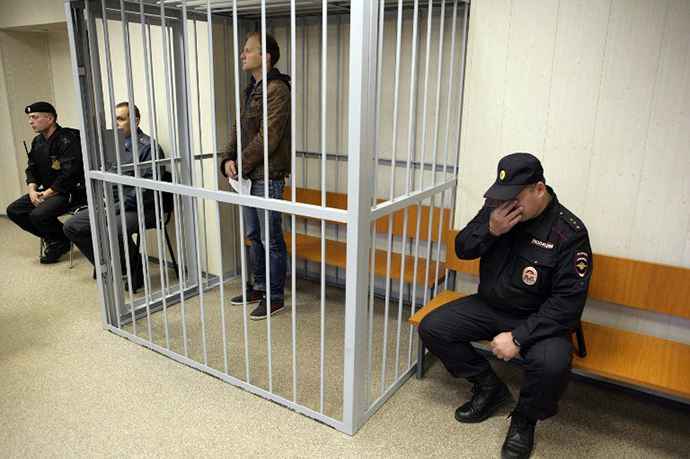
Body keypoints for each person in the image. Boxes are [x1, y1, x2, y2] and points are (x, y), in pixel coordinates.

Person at [418, 153, 592, 459]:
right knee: (433, 328)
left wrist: (518, 338)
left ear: (539, 189)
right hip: (491, 305)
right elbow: (462, 247)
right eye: (502, 196)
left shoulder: (569, 233)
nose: (507, 204)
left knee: (551, 366)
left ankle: (526, 418)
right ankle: (489, 389)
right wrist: (492, 230)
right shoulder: (495, 211)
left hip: (540, 319)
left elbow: (567, 304)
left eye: (516, 197)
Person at [220, 32, 291, 321]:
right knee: (254, 235)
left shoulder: (277, 90)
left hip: (267, 175)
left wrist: (242, 165)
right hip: (249, 176)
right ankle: (258, 287)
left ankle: (274, 297)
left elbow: (269, 138)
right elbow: (238, 128)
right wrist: (228, 158)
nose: (242, 55)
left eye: (248, 50)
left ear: (266, 57)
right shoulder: (252, 88)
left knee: (271, 238)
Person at [64, 102, 165, 292]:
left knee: (114, 226)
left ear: (135, 121)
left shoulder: (148, 148)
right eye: (115, 119)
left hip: (143, 206)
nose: (116, 124)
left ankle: (137, 270)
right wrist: (103, 198)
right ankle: (115, 265)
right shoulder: (112, 143)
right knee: (73, 226)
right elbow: (105, 177)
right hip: (114, 204)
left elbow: (146, 190)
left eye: (121, 119)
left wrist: (114, 208)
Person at [6, 102, 86, 263]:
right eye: (29, 118)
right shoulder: (37, 141)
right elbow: (32, 169)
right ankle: (60, 239)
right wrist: (32, 191)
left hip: (70, 192)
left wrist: (46, 194)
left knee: (38, 215)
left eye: (34, 117)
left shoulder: (67, 140)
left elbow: (69, 174)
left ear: (50, 118)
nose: (30, 121)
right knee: (14, 210)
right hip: (47, 191)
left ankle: (59, 240)